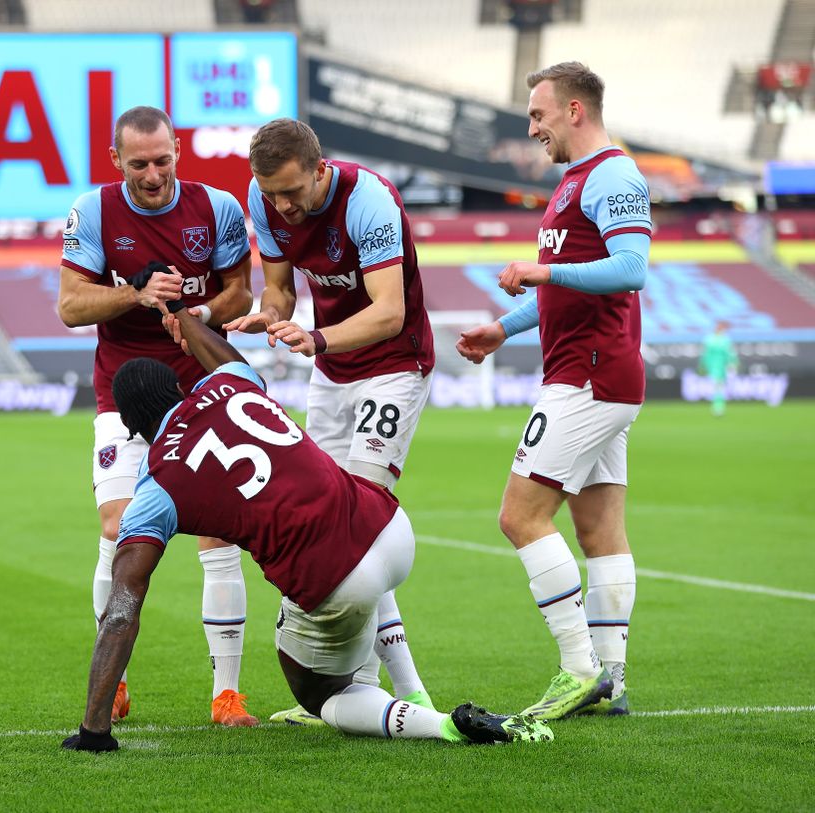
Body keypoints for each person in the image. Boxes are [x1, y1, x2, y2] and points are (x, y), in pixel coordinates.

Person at [61, 305, 554, 751]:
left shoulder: (155, 485)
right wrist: (186, 320)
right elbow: (225, 356)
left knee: (324, 694)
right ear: (178, 387)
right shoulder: (229, 383)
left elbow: (123, 609)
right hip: (390, 526)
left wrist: (93, 730)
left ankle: (440, 724)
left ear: (129, 428)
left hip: (336, 578)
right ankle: (413, 688)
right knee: (356, 554)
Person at [455, 62, 652, 719]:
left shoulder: (613, 173)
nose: (532, 129)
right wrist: (502, 327)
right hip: (593, 371)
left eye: (539, 115)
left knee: (520, 516)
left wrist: (541, 269)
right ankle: (612, 681)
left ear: (575, 110)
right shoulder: (575, 181)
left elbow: (631, 268)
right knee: (599, 531)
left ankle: (577, 669)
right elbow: (566, 288)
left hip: (588, 375)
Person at [223, 118, 436, 724]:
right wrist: (268, 317)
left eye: (293, 192)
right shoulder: (264, 202)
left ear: (320, 170)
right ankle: (359, 689)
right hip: (333, 375)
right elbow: (280, 291)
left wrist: (316, 338)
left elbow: (390, 313)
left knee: (357, 528)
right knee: (328, 530)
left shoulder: (369, 200)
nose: (283, 206)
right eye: (271, 195)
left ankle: (405, 689)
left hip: (394, 366)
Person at [56, 106, 257, 727]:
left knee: (218, 534)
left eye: (163, 160)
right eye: (138, 163)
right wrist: (135, 294)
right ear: (117, 161)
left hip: (202, 390)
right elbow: (69, 306)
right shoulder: (92, 212)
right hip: (122, 395)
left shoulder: (217, 207)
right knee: (119, 529)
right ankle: (112, 683)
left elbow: (241, 292)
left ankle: (227, 695)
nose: (152, 174)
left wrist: (195, 315)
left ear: (177, 152)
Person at [699, 321, 737, 416]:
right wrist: (703, 365)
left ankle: (718, 406)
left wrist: (732, 363)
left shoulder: (723, 339)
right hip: (714, 366)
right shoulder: (711, 339)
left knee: (718, 386)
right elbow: (705, 354)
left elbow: (730, 353)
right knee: (718, 385)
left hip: (721, 367)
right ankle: (718, 406)